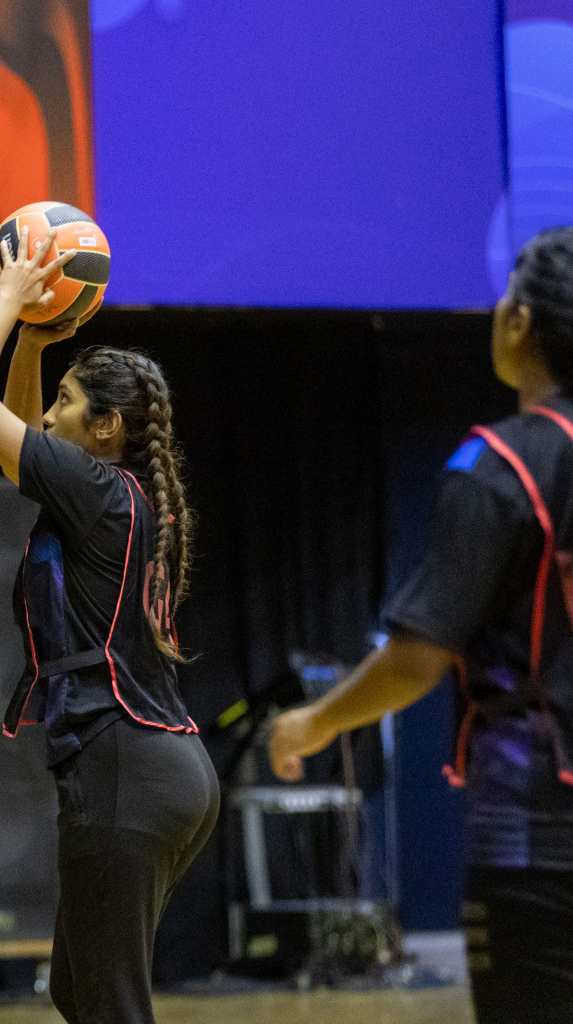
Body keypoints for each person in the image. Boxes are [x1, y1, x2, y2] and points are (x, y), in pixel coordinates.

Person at [269, 226, 573, 1024]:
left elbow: (416, 656)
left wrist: (310, 724)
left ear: (522, 323)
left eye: (508, 296)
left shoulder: (501, 466)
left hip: (539, 836)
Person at [0, 227, 218, 1024]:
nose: (49, 416)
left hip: (125, 769)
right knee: (80, 993)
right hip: (168, 769)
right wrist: (31, 340)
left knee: (109, 1006)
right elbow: (12, 446)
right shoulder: (120, 492)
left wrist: (5, 300)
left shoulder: (98, 489)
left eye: (65, 402)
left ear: (104, 429)